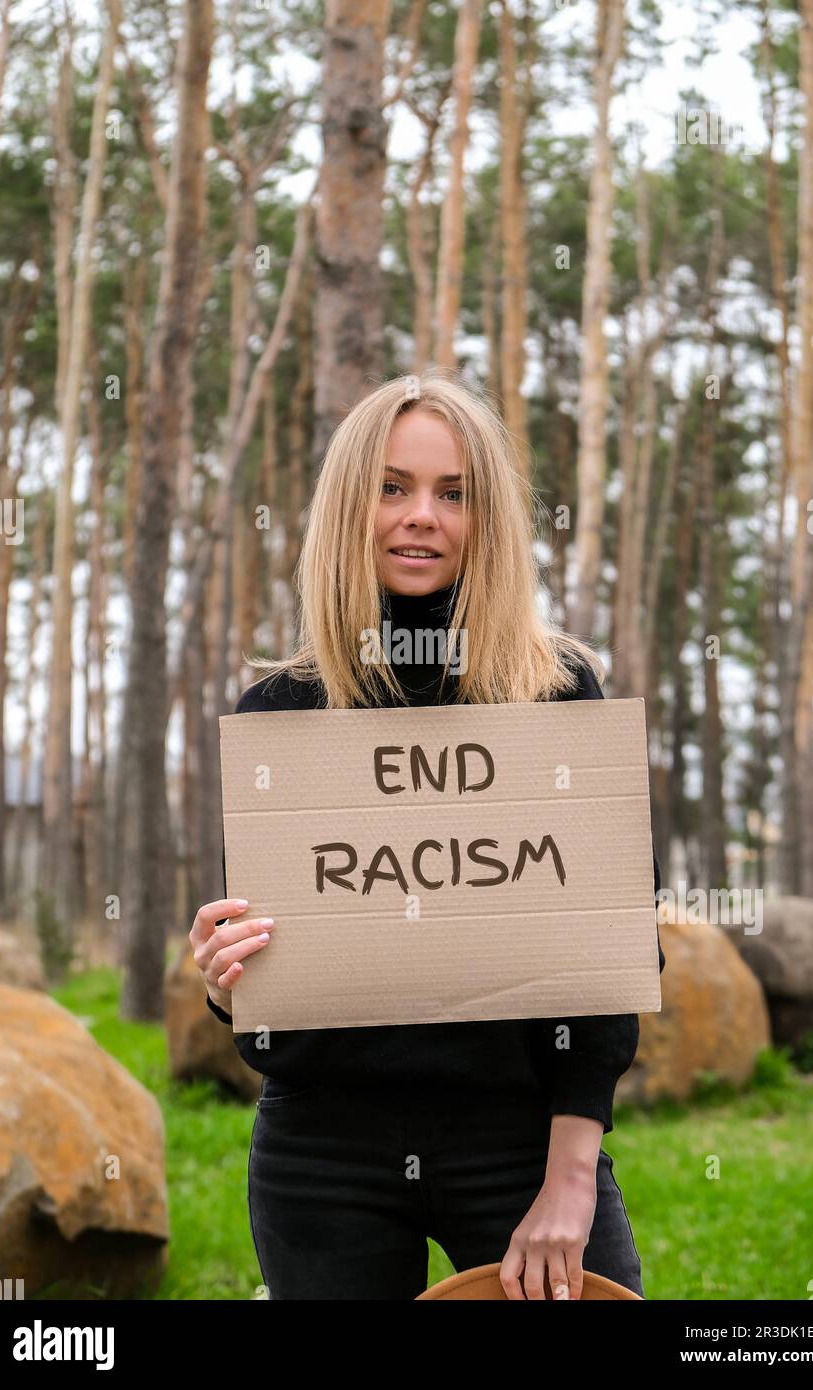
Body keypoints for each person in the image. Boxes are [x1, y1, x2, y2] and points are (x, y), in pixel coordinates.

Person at [190, 368, 665, 1301]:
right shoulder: (280, 714)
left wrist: (570, 1177)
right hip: (322, 1151)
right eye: (393, 487)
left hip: (521, 1138)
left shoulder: (558, 696)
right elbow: (268, 1017)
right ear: (348, 506)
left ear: (488, 520)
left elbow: (610, 955)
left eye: (454, 494)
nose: (422, 517)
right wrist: (224, 979)